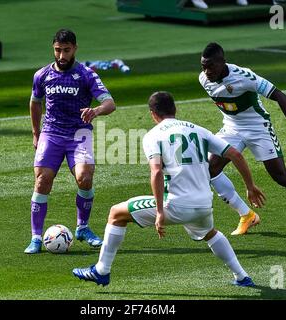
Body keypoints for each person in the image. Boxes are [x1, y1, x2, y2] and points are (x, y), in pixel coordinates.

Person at [72, 91, 265, 287]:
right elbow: (235, 154)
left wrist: (159, 212)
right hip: (204, 204)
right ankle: (242, 277)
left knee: (116, 213)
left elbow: (156, 172)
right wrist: (250, 186)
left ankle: (101, 271)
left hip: (175, 205)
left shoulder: (153, 136)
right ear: (175, 109)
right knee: (210, 233)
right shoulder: (199, 130)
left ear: (152, 114)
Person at [199, 42, 286, 235]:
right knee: (210, 168)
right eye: (203, 66)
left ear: (223, 62)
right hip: (231, 129)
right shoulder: (204, 79)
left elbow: (280, 96)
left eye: (210, 66)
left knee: (281, 177)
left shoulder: (244, 76)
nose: (206, 71)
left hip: (259, 129)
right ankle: (247, 215)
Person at [24, 28, 116, 254]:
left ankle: (82, 227)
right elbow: (35, 103)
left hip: (79, 134)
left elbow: (110, 103)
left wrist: (95, 111)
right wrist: (36, 133)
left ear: (75, 48)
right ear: (53, 49)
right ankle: (36, 237)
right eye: (58, 50)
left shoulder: (86, 74)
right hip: (52, 133)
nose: (62, 56)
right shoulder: (42, 75)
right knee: (42, 180)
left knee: (84, 178)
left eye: (66, 50)